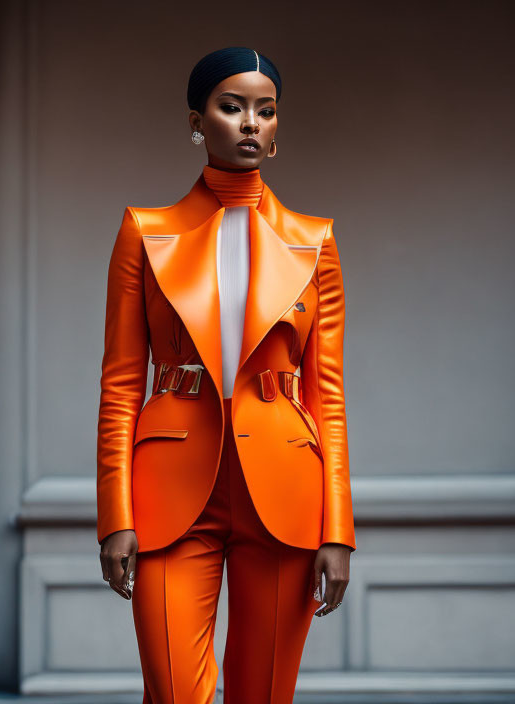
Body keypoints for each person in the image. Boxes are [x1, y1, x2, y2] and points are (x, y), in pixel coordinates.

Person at [96, 46, 356, 703]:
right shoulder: (143, 233)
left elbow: (327, 394)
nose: (249, 123)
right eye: (232, 106)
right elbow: (122, 384)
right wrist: (114, 515)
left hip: (285, 494)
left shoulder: (315, 241)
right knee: (175, 691)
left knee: (264, 693)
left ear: (275, 131)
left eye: (264, 112)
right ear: (196, 120)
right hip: (170, 493)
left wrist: (337, 530)